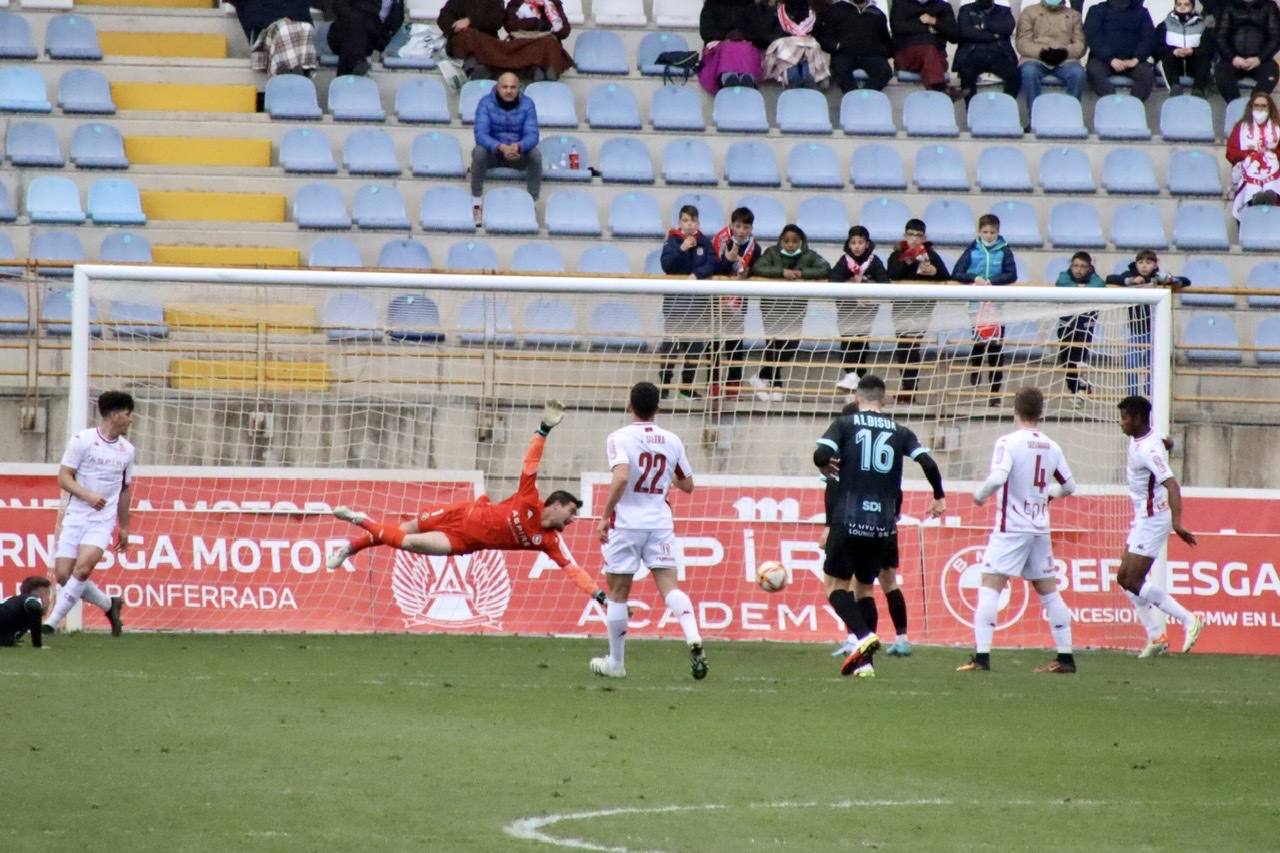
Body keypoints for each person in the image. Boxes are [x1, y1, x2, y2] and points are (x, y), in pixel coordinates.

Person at [328, 402, 608, 608]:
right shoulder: (528, 498)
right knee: (403, 529)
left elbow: (575, 571)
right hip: (459, 512)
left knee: (408, 543)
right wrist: (544, 429)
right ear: (555, 505)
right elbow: (530, 462)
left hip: (461, 541)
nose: (572, 519)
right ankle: (350, 548)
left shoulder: (549, 541)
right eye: (571, 512)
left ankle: (359, 519)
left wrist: (600, 596)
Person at [813, 373, 946, 678]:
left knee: (834, 587)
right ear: (884, 400)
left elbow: (821, 455)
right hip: (883, 527)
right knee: (865, 589)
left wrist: (825, 464)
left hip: (849, 519)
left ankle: (863, 636)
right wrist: (939, 497)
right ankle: (866, 664)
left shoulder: (845, 424)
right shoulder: (901, 431)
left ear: (856, 398)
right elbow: (928, 463)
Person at [957, 387, 1078, 673]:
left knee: (990, 584)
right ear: (1041, 412)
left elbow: (998, 477)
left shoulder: (1008, 442)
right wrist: (1048, 492)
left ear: (1015, 409)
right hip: (1039, 527)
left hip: (1012, 527)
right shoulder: (1052, 446)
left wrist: (980, 495)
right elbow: (1070, 487)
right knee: (1049, 590)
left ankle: (982, 657)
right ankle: (1066, 657)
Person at [590, 382, 706, 680]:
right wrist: (666, 478)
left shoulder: (619, 437)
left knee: (618, 593)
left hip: (626, 524)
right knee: (670, 587)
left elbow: (621, 477)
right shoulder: (672, 440)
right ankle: (692, 635)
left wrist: (604, 516)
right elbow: (689, 485)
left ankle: (616, 663)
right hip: (659, 523)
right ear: (658, 408)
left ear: (630, 405)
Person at [821, 396, 913, 659]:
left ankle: (857, 638)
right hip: (885, 527)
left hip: (853, 523)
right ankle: (901, 639)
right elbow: (897, 491)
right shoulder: (886, 450)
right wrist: (892, 519)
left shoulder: (845, 451)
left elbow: (833, 489)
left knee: (846, 585)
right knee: (882, 584)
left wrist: (829, 526)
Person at [1115, 395, 1204, 657]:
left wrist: (1177, 523)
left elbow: (1172, 485)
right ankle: (1157, 637)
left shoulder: (1148, 451)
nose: (1121, 423)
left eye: (1125, 418)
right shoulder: (1146, 438)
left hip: (1153, 519)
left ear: (1139, 419)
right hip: (1143, 516)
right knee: (1124, 578)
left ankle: (1189, 620)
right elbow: (1168, 441)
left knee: (1131, 578)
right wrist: (1169, 443)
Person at [44, 391, 133, 635]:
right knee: (63, 575)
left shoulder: (127, 450)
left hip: (101, 521)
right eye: (128, 414)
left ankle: (51, 622)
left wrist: (124, 527)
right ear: (114, 415)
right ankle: (109, 604)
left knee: (82, 569)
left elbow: (125, 490)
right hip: (76, 516)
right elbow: (64, 477)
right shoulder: (82, 440)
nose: (131, 419)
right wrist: (88, 496)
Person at [751, 224, 831, 402]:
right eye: (786, 241)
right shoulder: (771, 253)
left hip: (795, 310)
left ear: (801, 242)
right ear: (781, 241)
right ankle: (777, 384)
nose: (790, 245)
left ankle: (763, 377)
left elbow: (825, 268)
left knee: (790, 345)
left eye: (794, 241)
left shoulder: (808, 255)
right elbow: (758, 268)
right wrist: (781, 272)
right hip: (772, 309)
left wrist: (801, 273)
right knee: (774, 345)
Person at [952, 213, 1017, 407]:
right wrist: (974, 279)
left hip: (997, 306)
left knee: (996, 350)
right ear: (979, 232)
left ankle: (995, 393)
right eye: (985, 232)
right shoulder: (972, 249)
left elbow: (1011, 274)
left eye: (992, 232)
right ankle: (975, 367)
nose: (989, 236)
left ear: (998, 232)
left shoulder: (1005, 250)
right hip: (976, 306)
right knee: (979, 343)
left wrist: (991, 282)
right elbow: (957, 272)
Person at [1106, 250, 1190, 397]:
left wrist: (1171, 280)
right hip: (1135, 332)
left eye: (1148, 263)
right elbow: (1110, 278)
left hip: (1155, 332)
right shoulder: (1130, 274)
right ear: (1136, 264)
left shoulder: (1158, 277)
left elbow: (1186, 280)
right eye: (1141, 263)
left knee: (1154, 364)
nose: (1144, 266)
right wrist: (1131, 281)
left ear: (1155, 265)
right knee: (1131, 364)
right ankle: (1132, 395)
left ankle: (1150, 391)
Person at [887, 219, 949, 404]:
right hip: (900, 308)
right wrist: (909, 258)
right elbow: (892, 273)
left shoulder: (931, 254)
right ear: (904, 235)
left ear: (924, 237)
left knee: (912, 347)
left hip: (922, 309)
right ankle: (908, 389)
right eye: (911, 234)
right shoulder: (897, 254)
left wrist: (934, 272)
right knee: (903, 348)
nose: (914, 239)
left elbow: (946, 275)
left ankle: (909, 389)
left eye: (918, 235)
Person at [658, 205, 716, 399]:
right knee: (671, 347)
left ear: (698, 223)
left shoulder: (705, 242)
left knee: (695, 347)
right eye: (685, 220)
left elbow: (711, 263)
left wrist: (696, 274)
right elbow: (667, 266)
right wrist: (682, 249)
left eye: (693, 221)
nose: (689, 224)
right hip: (676, 306)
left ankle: (686, 387)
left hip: (698, 307)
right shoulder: (673, 241)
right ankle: (664, 386)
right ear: (679, 223)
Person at [470, 72, 542, 227]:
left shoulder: (528, 104)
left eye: (513, 87)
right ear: (497, 87)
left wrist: (519, 146)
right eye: (505, 87)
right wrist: (500, 147)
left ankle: (532, 202)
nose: (509, 91)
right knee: (479, 152)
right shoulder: (485, 103)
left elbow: (533, 134)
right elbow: (480, 134)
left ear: (519, 88)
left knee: (535, 154)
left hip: (518, 154)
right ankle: (476, 202)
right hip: (493, 154)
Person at [829, 225, 889, 390]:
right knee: (847, 342)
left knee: (861, 342)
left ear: (867, 244)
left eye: (860, 242)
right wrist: (849, 284)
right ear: (848, 244)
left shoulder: (874, 261)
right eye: (853, 242)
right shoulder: (844, 261)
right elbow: (833, 281)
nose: (857, 246)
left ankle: (858, 375)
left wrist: (867, 285)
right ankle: (850, 374)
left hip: (867, 310)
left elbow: (885, 282)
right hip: (846, 309)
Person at [709, 207, 761, 396]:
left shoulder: (755, 246)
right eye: (738, 226)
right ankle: (713, 383)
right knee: (714, 344)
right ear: (731, 225)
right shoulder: (720, 239)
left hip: (738, 302)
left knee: (735, 343)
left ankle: (733, 385)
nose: (741, 231)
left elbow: (756, 268)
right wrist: (727, 260)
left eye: (745, 227)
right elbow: (712, 266)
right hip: (716, 300)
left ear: (751, 228)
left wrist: (748, 272)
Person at [1055, 251, 1105, 408]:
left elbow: (1099, 285)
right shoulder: (1065, 276)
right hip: (1066, 324)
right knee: (1067, 359)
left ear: (1089, 268)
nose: (1079, 269)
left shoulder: (1094, 278)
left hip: (1084, 325)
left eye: (1083, 266)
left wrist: (1083, 288)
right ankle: (1076, 389)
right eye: (1076, 265)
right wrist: (1079, 288)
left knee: (1080, 358)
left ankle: (1081, 389)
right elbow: (1061, 283)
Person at [1015, 0, 1087, 107]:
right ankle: (1034, 117)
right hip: (1036, 59)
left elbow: (1080, 44)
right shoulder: (1029, 12)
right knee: (1029, 72)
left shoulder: (1074, 15)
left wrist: (1065, 53)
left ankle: (1071, 114)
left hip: (1065, 60)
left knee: (1078, 73)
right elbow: (1022, 41)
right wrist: (1041, 53)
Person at [1083, 0, 1157, 101]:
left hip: (1133, 61)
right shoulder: (1097, 10)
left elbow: (1149, 37)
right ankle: (1112, 104)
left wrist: (1136, 59)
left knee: (1147, 75)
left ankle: (1133, 106)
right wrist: (1111, 59)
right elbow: (1093, 37)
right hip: (1103, 60)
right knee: (1094, 71)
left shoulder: (1141, 12)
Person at [815, 0, 894, 93]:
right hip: (844, 54)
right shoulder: (836, 10)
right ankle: (852, 96)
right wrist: (837, 46)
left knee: (884, 71)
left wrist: (881, 51)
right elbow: (825, 36)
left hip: (872, 55)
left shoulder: (877, 14)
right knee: (839, 71)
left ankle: (864, 97)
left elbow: (886, 40)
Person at [1226, 89, 1280, 221]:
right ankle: (1253, 199)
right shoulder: (1240, 127)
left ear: (1269, 108)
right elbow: (1231, 152)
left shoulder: (1278, 127)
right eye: (1257, 105)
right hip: (1246, 163)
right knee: (1251, 165)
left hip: (1273, 166)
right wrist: (1250, 154)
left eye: (1263, 106)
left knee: (1271, 162)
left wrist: (1269, 154)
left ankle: (1270, 196)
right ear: (1251, 107)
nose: (1260, 109)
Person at [1214, 0, 1280, 103]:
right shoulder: (1229, 5)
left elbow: (1276, 37)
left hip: (1261, 60)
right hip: (1233, 60)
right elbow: (1220, 36)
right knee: (1221, 73)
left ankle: (1253, 106)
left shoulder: (1269, 6)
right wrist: (1233, 57)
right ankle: (1236, 106)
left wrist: (1259, 58)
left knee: (1271, 75)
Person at [953, 0, 1019, 102]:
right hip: (973, 53)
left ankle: (1005, 107)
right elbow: (966, 32)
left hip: (999, 53)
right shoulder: (965, 10)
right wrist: (994, 35)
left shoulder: (1004, 11)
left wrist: (983, 25)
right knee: (967, 76)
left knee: (1014, 76)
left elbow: (1007, 28)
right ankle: (972, 110)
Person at [699, 0, 770, 93]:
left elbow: (760, 35)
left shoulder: (752, 7)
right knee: (728, 47)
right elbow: (706, 32)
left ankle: (747, 78)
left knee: (744, 48)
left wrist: (741, 36)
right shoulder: (711, 5)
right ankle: (727, 77)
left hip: (745, 45)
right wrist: (727, 36)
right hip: (718, 47)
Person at [890, 0, 959, 94]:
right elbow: (897, 27)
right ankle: (941, 91)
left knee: (932, 60)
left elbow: (954, 36)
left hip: (937, 57)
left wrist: (934, 21)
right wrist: (928, 28)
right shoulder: (901, 3)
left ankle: (938, 94)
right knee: (928, 50)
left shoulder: (943, 7)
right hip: (908, 55)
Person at [761, 0, 832, 89]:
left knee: (804, 48)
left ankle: (800, 76)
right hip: (790, 45)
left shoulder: (811, 12)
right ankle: (803, 76)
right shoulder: (780, 12)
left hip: (800, 46)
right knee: (794, 48)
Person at [237, 0, 318, 77]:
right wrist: (280, 21)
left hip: (293, 35)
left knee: (305, 27)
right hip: (266, 36)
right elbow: (252, 19)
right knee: (285, 29)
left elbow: (308, 22)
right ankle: (294, 77)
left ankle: (294, 76)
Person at [327, 0, 404, 76]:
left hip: (372, 38)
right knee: (357, 25)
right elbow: (338, 5)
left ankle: (348, 76)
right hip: (341, 33)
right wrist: (355, 19)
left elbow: (398, 18)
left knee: (361, 27)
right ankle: (356, 64)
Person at [503, 0, 574, 82]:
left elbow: (564, 32)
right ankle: (536, 70)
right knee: (535, 45)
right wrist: (535, 23)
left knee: (549, 43)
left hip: (546, 44)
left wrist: (553, 18)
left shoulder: (552, 3)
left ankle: (550, 71)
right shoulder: (517, 3)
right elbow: (511, 25)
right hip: (524, 42)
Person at [437, 0, 507, 80]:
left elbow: (496, 22)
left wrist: (470, 21)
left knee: (480, 67)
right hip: (463, 45)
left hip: (485, 44)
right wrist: (455, 26)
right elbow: (443, 18)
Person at [1155, 0, 1213, 97]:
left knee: (1204, 57)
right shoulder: (1164, 25)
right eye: (1179, 4)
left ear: (1193, 7)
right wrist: (1174, 50)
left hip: (1193, 64)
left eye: (1186, 4)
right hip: (1174, 65)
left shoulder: (1202, 26)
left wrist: (1193, 51)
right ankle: (1175, 89)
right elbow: (1157, 48)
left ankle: (1198, 91)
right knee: (1167, 55)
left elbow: (1209, 49)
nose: (1182, 7)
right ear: (1175, 6)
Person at [0, 577, 52, 649]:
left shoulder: (17, 606)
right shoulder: (32, 599)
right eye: (47, 594)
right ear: (39, 594)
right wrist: (37, 644)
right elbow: (33, 607)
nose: (49, 600)